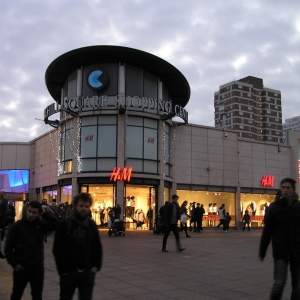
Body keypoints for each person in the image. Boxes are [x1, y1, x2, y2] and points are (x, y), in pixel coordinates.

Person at [4, 200, 58, 300]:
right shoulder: (17, 226)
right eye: (29, 211)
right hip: (21, 267)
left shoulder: (40, 226)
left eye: (34, 212)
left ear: (38, 214)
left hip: (37, 268)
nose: (30, 214)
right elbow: (8, 248)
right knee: (16, 294)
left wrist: (46, 213)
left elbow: (55, 223)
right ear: (26, 210)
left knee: (37, 296)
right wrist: (14, 264)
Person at [53, 193, 103, 300]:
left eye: (86, 206)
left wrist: (96, 266)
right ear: (75, 206)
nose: (83, 209)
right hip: (69, 272)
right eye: (81, 206)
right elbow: (57, 248)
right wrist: (62, 270)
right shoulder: (65, 224)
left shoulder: (91, 225)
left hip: (87, 272)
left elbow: (97, 246)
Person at [259, 177, 300, 300]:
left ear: (293, 190)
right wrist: (262, 250)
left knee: (298, 287)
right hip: (280, 251)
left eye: (288, 188)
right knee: (279, 283)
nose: (285, 190)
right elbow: (267, 231)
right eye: (283, 188)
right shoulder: (274, 207)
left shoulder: (298, 207)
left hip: (297, 251)